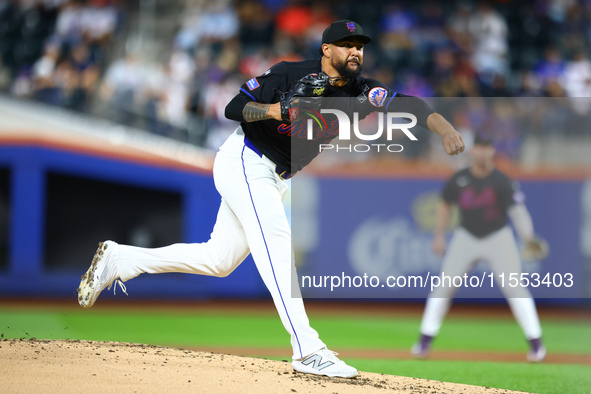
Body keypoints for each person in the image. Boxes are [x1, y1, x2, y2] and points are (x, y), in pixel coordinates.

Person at [77, 20, 465, 378]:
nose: (356, 52)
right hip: (246, 160)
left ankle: (121, 259)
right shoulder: (288, 73)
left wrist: (444, 127)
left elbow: (410, 105)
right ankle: (307, 349)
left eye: (360, 46)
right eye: (347, 45)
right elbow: (233, 108)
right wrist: (272, 109)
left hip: (278, 176)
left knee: (218, 260)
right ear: (326, 49)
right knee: (278, 247)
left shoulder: (362, 92)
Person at [411, 135, 546, 362]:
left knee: (515, 288)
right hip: (466, 237)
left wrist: (528, 237)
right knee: (444, 287)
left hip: (498, 237)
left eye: (487, 147)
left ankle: (536, 343)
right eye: (479, 147)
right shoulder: (459, 178)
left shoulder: (502, 181)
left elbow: (518, 211)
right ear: (473, 150)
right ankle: (424, 341)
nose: (483, 152)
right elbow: (445, 205)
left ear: (492, 151)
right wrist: (439, 236)